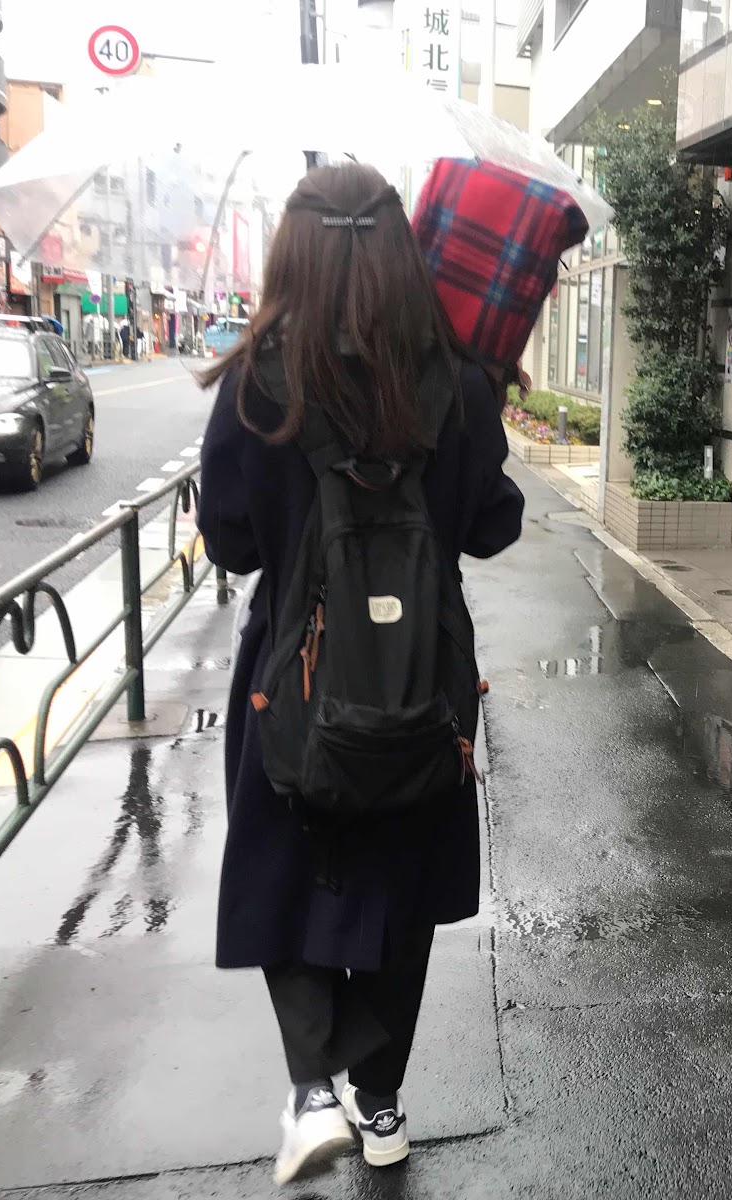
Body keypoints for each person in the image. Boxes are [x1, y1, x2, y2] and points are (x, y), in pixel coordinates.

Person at [195, 163, 523, 1185]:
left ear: (292, 252)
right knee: (401, 887)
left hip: (290, 677)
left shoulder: (257, 382)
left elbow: (231, 542)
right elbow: (493, 526)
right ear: (401, 253)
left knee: (280, 867)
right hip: (424, 680)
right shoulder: (458, 384)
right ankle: (378, 1102)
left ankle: (309, 1090)